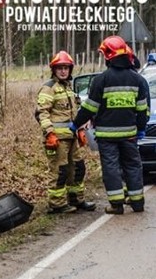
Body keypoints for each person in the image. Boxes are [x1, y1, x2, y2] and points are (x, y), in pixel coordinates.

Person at [73, 36, 150, 214]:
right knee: (133, 165)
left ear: (108, 55)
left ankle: (116, 205)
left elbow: (90, 108)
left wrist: (75, 124)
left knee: (111, 168)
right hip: (130, 134)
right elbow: (142, 109)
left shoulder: (101, 80)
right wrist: (141, 128)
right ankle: (138, 203)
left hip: (107, 137)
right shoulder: (137, 80)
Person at [34, 50, 97, 214]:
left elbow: (75, 113)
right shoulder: (49, 88)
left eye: (66, 68)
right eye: (60, 68)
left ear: (70, 70)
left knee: (78, 168)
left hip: (72, 138)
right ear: (54, 69)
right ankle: (57, 204)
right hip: (57, 139)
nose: (63, 71)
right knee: (59, 171)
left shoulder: (69, 88)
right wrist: (49, 133)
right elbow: (42, 113)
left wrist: (81, 129)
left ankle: (77, 199)